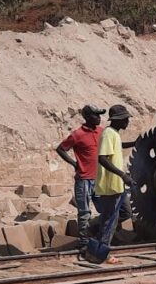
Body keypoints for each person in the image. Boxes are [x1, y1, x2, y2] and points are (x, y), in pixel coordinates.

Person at [55, 105, 105, 249]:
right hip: (84, 180)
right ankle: (84, 243)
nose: (99, 118)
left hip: (99, 179)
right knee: (84, 212)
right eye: (96, 115)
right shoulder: (78, 134)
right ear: (88, 117)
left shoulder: (101, 132)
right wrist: (74, 163)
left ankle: (97, 237)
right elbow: (61, 149)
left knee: (105, 210)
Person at [93, 104, 135, 264]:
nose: (127, 122)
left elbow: (117, 147)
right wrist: (123, 175)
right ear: (117, 120)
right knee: (110, 218)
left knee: (124, 213)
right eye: (125, 119)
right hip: (110, 185)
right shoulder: (108, 134)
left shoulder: (114, 134)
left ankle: (97, 238)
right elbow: (102, 158)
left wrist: (134, 143)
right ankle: (103, 251)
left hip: (117, 185)